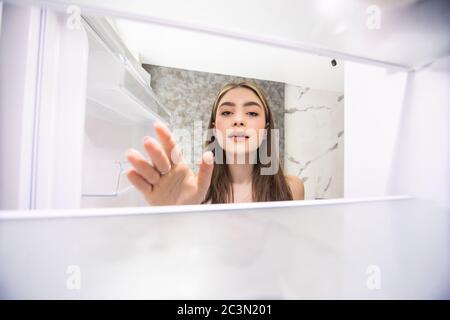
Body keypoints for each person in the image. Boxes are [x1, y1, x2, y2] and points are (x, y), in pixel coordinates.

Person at [126, 82, 304, 205]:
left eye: (251, 113)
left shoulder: (292, 189)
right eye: (227, 113)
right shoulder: (194, 193)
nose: (239, 120)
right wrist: (171, 217)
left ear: (266, 129)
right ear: (214, 128)